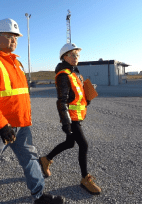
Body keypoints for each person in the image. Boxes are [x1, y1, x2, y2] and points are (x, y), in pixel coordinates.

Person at [0, 18, 63, 204]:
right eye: (10, 36)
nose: (14, 40)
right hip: (0, 127)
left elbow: (19, 95)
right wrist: (1, 125)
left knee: (30, 159)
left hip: (21, 124)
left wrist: (24, 119)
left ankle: (39, 196)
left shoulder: (16, 62)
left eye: (16, 37)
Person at [39, 43, 102, 195]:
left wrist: (89, 96)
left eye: (77, 55)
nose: (76, 58)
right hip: (71, 119)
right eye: (72, 55)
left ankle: (46, 159)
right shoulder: (63, 75)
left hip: (77, 117)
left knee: (70, 143)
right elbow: (61, 101)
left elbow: (80, 99)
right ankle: (85, 178)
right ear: (64, 57)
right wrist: (66, 123)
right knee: (83, 145)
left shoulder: (77, 75)